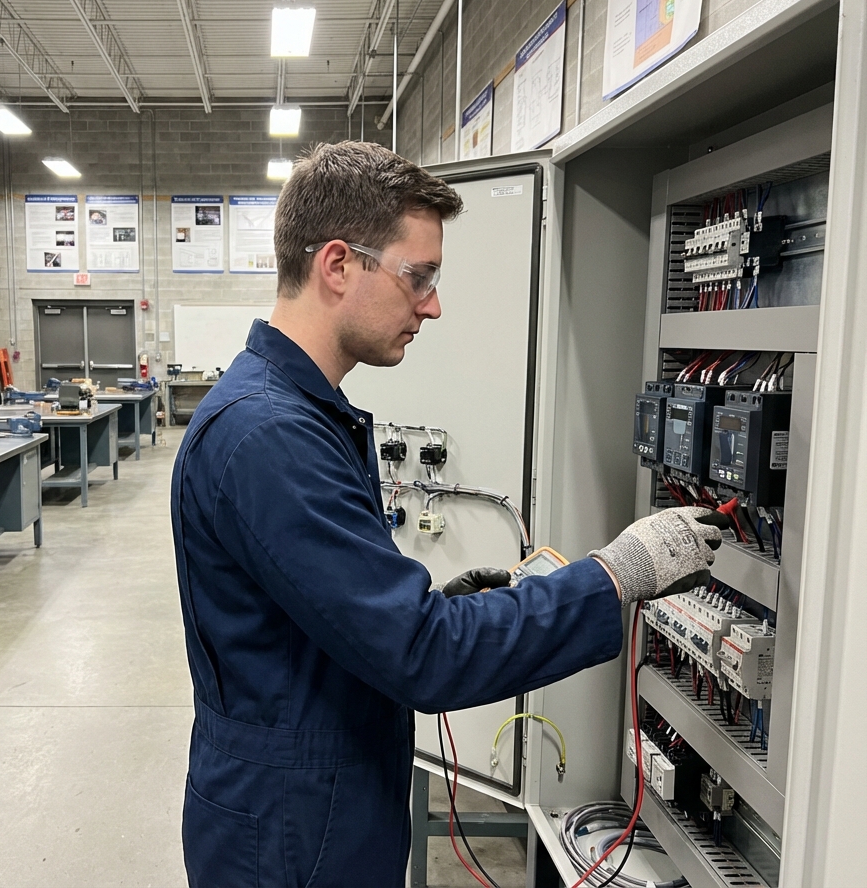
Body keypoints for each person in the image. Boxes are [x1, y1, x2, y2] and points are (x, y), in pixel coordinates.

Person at [170, 141, 725, 888]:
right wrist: (616, 575)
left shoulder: (288, 412)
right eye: (418, 276)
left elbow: (321, 620)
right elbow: (423, 658)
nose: (432, 303)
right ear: (338, 265)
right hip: (293, 831)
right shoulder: (271, 436)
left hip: (309, 801)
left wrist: (435, 606)